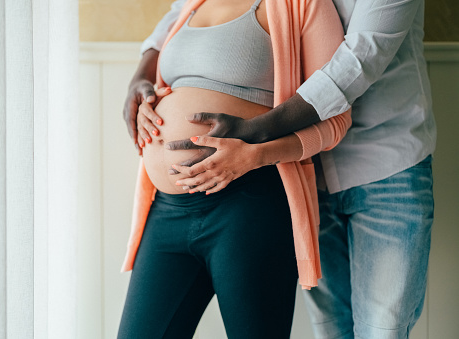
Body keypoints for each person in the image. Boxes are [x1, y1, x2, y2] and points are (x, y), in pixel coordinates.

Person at [126, 0, 437, 338]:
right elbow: (177, 16)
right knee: (333, 328)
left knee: (382, 329)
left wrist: (257, 136)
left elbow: (360, 58)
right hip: (310, 179)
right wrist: (140, 81)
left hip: (382, 162)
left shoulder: (305, 5)